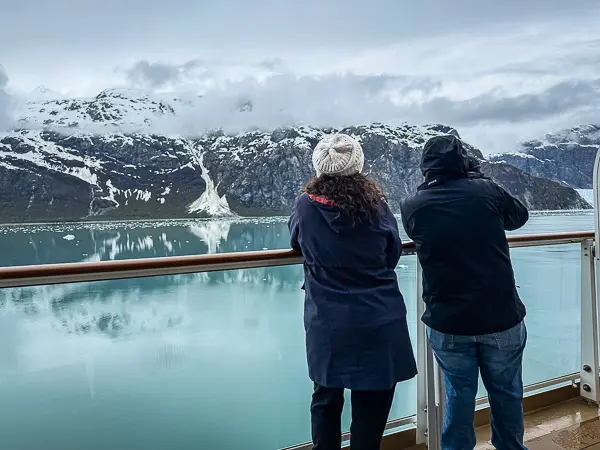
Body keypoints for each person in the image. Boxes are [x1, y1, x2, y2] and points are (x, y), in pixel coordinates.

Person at [288, 134, 417, 450]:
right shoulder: (377, 205)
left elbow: (296, 242)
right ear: (357, 165)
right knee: (372, 405)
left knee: (326, 398)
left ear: (319, 167)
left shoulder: (305, 206)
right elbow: (391, 253)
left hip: (328, 320)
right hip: (378, 316)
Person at [401, 134, 529, 450]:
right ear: (463, 162)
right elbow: (519, 217)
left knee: (458, 395)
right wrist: (478, 177)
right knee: (506, 392)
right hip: (501, 317)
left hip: (448, 323)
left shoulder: (412, 206)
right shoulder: (486, 191)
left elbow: (423, 230)